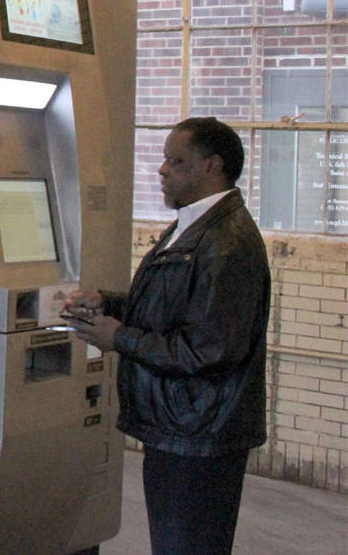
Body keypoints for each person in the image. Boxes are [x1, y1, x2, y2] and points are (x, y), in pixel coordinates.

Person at [63, 116, 270, 555]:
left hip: (200, 437)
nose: (161, 171)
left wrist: (119, 337)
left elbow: (210, 350)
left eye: (175, 161)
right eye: (163, 160)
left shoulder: (226, 243)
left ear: (212, 167)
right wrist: (111, 303)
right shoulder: (195, 227)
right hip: (181, 426)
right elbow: (178, 308)